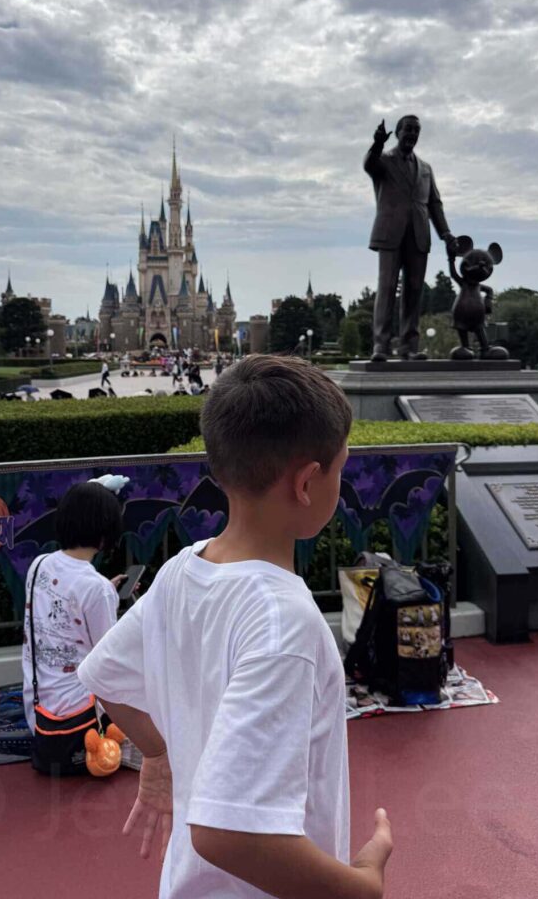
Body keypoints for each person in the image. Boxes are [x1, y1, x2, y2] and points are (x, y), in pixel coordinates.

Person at [77, 356, 393, 898]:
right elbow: (225, 833)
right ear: (308, 482)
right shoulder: (284, 623)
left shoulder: (184, 568)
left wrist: (158, 756)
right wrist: (363, 886)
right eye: (340, 466)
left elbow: (104, 676)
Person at [21, 482, 128, 755]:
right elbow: (108, 657)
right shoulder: (96, 588)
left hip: (37, 710)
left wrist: (106, 594)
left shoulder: (39, 565)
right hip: (80, 720)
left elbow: (65, 607)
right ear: (105, 531)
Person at [364, 115, 457, 360]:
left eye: (416, 130)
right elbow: (369, 165)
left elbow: (435, 203)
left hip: (418, 234)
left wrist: (445, 233)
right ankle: (380, 346)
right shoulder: (384, 160)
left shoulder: (426, 168)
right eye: (408, 129)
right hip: (390, 233)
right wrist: (377, 143)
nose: (412, 134)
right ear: (397, 132)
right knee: (386, 288)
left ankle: (409, 347)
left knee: (414, 290)